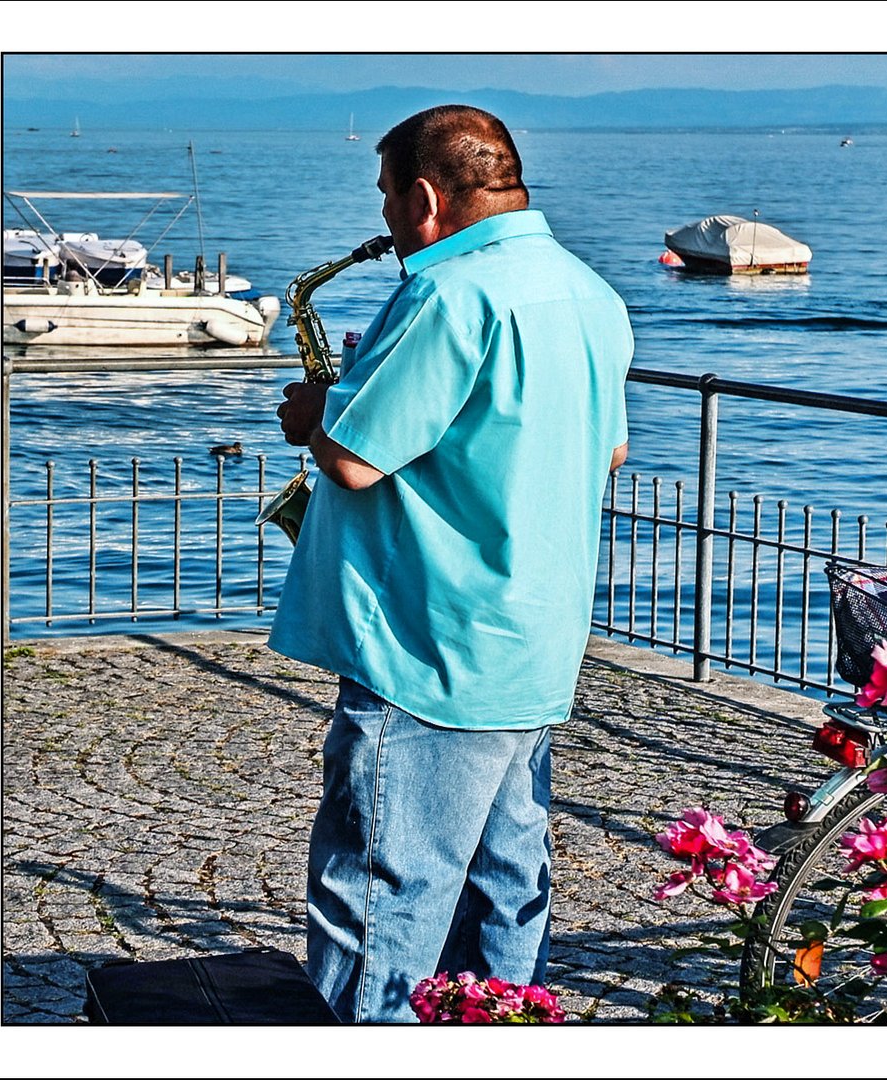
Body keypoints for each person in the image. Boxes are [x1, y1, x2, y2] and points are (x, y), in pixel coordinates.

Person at [269, 104, 633, 1023]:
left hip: (427, 641)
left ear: (426, 196)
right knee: (506, 890)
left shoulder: (448, 293)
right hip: (533, 635)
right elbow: (613, 452)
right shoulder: (588, 290)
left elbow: (354, 457)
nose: (387, 221)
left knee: (384, 893)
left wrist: (316, 410)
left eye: (389, 197)